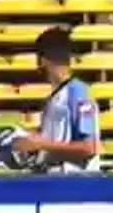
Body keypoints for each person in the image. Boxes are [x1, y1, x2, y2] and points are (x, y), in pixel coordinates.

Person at [9, 27, 101, 172]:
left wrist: (41, 145)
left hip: (76, 187)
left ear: (42, 60)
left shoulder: (77, 92)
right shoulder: (53, 99)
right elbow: (55, 142)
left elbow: (89, 148)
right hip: (54, 183)